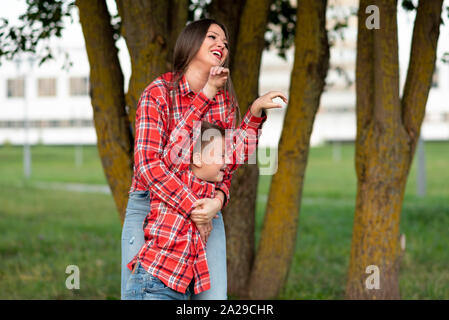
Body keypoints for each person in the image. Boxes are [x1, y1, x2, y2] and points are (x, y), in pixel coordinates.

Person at [121, 18, 287, 300]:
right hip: (154, 208)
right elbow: (150, 166)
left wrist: (255, 112)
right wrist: (195, 209)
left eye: (225, 42)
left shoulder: (223, 101)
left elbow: (228, 162)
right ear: (191, 43)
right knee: (146, 289)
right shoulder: (158, 94)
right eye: (212, 37)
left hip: (206, 205)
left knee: (213, 298)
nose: (221, 44)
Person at [124, 122, 229, 300]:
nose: (227, 162)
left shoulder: (207, 192)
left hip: (177, 288)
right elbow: (177, 143)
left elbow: (243, 144)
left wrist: (256, 111)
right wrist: (207, 94)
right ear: (196, 159)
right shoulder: (173, 176)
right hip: (153, 282)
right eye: (221, 155)